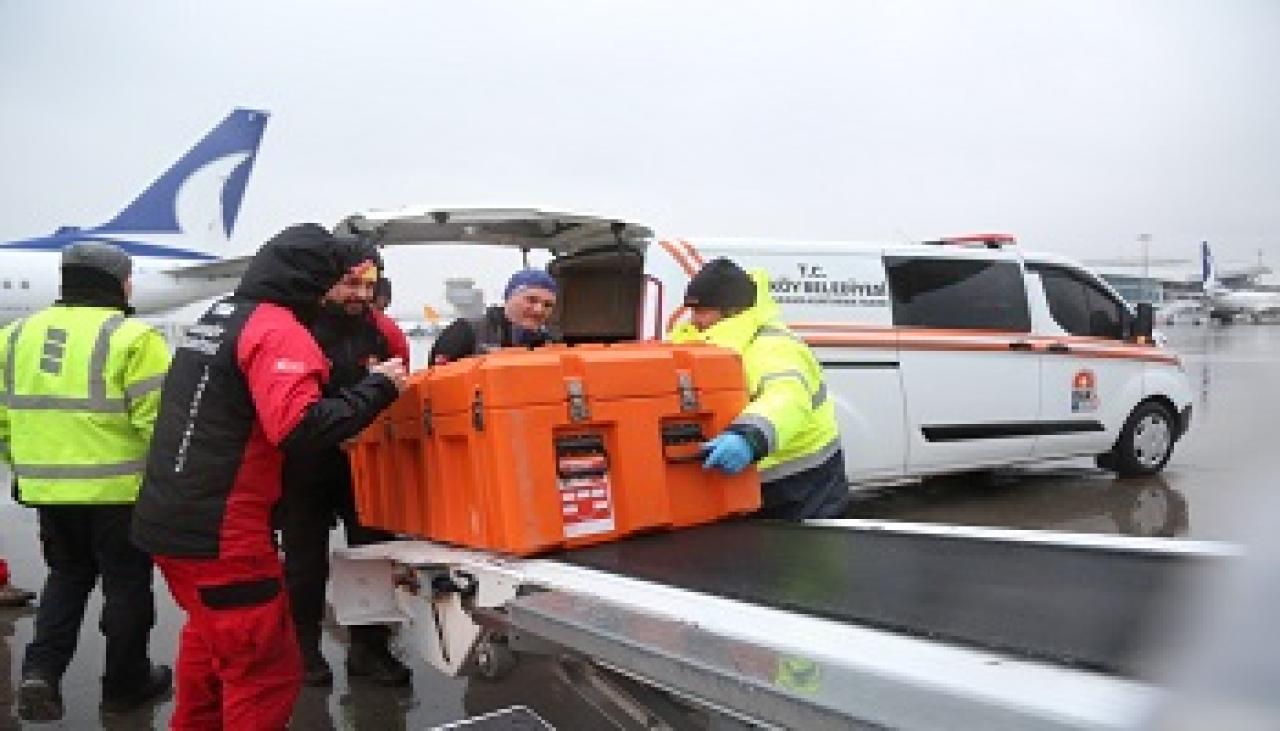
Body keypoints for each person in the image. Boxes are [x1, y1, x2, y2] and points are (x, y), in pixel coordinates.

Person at [131, 224, 407, 729]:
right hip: (224, 532)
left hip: (169, 519)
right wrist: (377, 388)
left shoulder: (220, 316)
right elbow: (300, 427)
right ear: (313, 280)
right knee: (265, 671)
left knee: (211, 645)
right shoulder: (278, 329)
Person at [0, 242, 172, 721]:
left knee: (66, 578)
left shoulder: (14, 336)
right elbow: (158, 425)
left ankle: (41, 673)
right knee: (127, 587)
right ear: (117, 282)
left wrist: (24, 471)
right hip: (122, 493)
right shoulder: (134, 337)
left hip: (48, 491)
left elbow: (4, 421)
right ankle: (125, 685)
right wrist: (167, 486)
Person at [280, 248, 412, 688]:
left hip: (367, 463)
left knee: (371, 557)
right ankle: (303, 650)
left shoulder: (386, 334)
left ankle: (369, 649)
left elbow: (403, 393)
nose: (361, 294)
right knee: (304, 563)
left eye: (369, 286)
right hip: (306, 463)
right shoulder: (298, 329)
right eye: (351, 284)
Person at [669, 258, 849, 520]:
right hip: (751, 483)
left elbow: (786, 399)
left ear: (732, 310)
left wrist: (749, 438)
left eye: (703, 311)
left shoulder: (773, 346)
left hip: (804, 484)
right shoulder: (696, 344)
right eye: (692, 310)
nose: (694, 320)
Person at [429, 268, 558, 364]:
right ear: (509, 297)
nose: (539, 310)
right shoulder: (466, 332)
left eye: (548, 305)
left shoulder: (550, 345)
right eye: (531, 300)